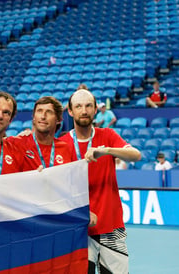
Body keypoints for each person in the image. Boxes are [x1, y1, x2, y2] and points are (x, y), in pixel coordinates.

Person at [60, 88, 141, 274]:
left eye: (89, 106)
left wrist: (106, 150)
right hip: (78, 231)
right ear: (70, 111)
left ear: (96, 109)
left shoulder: (108, 136)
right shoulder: (62, 144)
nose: (84, 110)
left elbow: (136, 155)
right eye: (78, 106)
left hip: (111, 228)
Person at [9, 96, 73, 171]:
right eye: (39, 111)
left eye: (49, 112)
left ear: (59, 119)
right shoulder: (16, 144)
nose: (43, 116)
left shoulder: (66, 148)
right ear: (34, 117)